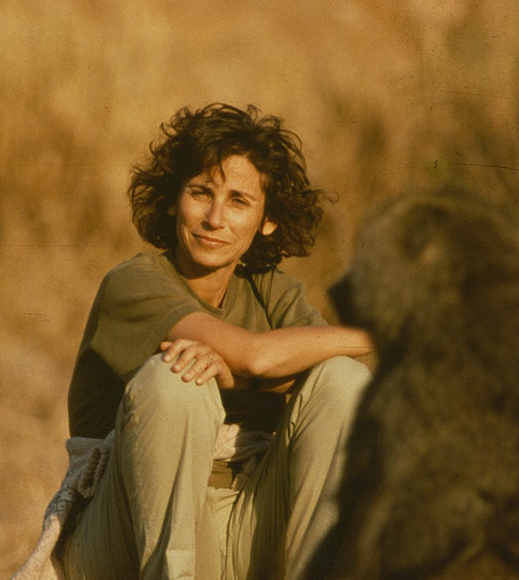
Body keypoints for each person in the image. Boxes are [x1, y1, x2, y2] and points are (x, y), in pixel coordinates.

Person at [57, 103, 373, 580]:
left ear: (267, 220)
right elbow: (257, 356)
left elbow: (325, 387)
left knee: (344, 380)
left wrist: (238, 374)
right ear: (172, 200)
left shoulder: (272, 291)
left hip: (246, 525)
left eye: (239, 202)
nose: (214, 218)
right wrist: (373, 333)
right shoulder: (134, 283)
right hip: (131, 537)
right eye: (201, 193)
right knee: (179, 378)